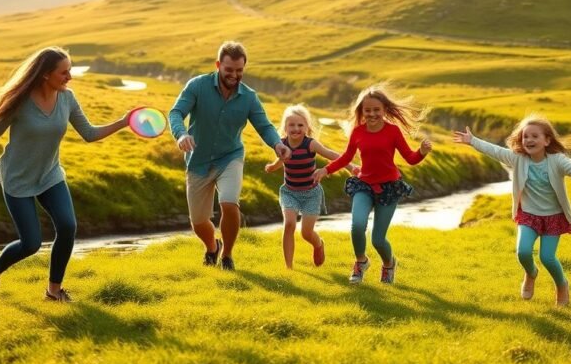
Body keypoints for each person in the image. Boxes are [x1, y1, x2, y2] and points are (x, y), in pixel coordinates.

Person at [0, 46, 132, 303]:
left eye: (70, 70)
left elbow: (90, 134)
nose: (69, 76)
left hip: (50, 175)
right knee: (30, 243)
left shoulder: (67, 98)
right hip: (18, 178)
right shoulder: (21, 101)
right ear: (45, 74)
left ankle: (53, 291)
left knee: (68, 226)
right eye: (64, 72)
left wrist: (124, 121)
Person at [453, 116, 571, 305]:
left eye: (534, 136)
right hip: (529, 215)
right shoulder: (517, 159)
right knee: (523, 252)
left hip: (553, 217)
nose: (529, 140)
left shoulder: (557, 161)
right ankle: (531, 274)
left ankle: (562, 285)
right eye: (525, 137)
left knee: (547, 258)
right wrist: (473, 141)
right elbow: (496, 151)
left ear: (547, 140)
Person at [168, 41, 290, 271]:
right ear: (218, 65)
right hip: (198, 160)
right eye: (229, 70)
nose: (234, 75)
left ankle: (227, 256)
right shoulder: (197, 86)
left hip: (230, 157)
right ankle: (213, 246)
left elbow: (264, 126)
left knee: (229, 202)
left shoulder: (249, 97)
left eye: (239, 70)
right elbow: (176, 112)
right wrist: (181, 134)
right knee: (199, 222)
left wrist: (277, 144)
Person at [312, 84, 432, 284]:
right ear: (362, 111)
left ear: (384, 110)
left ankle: (388, 264)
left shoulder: (392, 131)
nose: (372, 114)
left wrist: (421, 152)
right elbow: (346, 158)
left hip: (389, 188)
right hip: (364, 186)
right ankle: (361, 262)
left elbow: (410, 158)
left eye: (376, 110)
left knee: (377, 239)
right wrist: (325, 170)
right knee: (357, 225)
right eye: (367, 110)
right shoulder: (358, 132)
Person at [265, 104, 358, 269]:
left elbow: (332, 154)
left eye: (300, 125)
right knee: (289, 224)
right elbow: (281, 160)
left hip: (311, 194)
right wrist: (272, 167)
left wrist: (351, 168)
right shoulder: (282, 144)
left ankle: (318, 244)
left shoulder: (310, 144)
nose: (296, 128)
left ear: (307, 127)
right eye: (291, 125)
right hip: (289, 192)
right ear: (285, 128)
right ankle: (289, 267)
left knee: (306, 233)